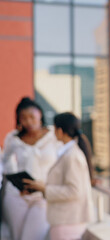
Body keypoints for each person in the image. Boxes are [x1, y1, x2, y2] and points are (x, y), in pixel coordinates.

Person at [23, 112, 94, 240]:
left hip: (68, 221)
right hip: (65, 220)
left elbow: (74, 191)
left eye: (54, 128)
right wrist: (40, 188)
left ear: (60, 131)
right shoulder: (68, 152)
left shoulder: (72, 156)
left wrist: (45, 188)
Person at [1, 97, 60, 240]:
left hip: (42, 196)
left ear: (40, 114)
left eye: (32, 117)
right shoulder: (13, 138)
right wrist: (16, 177)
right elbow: (5, 160)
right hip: (17, 195)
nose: (28, 121)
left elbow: (65, 161)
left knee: (32, 236)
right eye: (24, 118)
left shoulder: (53, 136)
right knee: (16, 236)